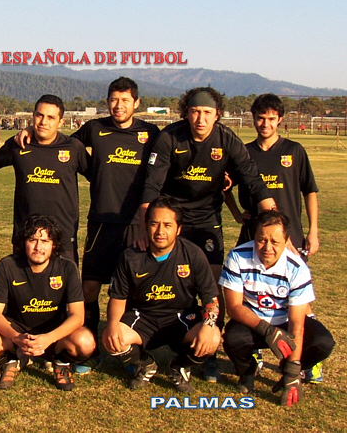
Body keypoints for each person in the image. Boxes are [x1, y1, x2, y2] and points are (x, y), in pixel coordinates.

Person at [17, 77, 160, 373]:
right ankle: (91, 350)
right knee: (90, 288)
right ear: (107, 102)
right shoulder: (94, 129)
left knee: (135, 290)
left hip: (137, 224)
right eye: (113, 99)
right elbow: (58, 142)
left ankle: (132, 354)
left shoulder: (151, 133)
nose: (118, 106)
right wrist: (31, 130)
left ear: (136, 103)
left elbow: (166, 166)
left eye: (125, 100)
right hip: (101, 222)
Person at [139, 86, 275, 381]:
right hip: (172, 218)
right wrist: (144, 227)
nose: (201, 119)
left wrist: (273, 215)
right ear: (186, 113)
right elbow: (151, 185)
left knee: (211, 283)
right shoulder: (170, 137)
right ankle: (156, 340)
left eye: (207, 112)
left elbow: (252, 178)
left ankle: (209, 350)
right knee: (167, 280)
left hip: (206, 219)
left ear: (217, 115)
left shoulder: (226, 139)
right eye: (195, 111)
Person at [103, 196, 220, 392]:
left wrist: (208, 326)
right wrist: (113, 325)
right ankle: (145, 364)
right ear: (146, 225)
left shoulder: (193, 254)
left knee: (213, 337)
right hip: (143, 317)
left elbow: (210, 298)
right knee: (112, 339)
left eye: (167, 225)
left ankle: (180, 366)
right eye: (154, 224)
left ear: (178, 229)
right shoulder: (130, 257)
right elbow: (118, 298)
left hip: (182, 317)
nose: (160, 231)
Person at [220, 210, 334, 406]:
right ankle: (247, 371)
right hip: (254, 322)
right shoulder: (237, 256)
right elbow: (234, 307)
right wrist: (267, 330)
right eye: (261, 240)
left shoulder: (297, 268)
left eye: (275, 241)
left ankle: (289, 370)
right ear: (254, 236)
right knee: (233, 338)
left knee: (323, 343)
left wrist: (292, 372)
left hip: (286, 322)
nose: (267, 247)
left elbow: (297, 323)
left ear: (286, 241)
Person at [0, 214, 95, 391]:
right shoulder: (8, 265)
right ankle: (12, 360)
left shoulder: (67, 268)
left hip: (54, 335)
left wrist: (49, 338)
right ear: (24, 242)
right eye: (32, 240)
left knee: (85, 342)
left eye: (45, 241)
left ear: (54, 245)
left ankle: (60, 362)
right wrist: (17, 338)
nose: (38, 247)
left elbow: (78, 316)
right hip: (17, 333)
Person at [0, 94, 90, 262]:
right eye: (39, 115)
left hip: (63, 236)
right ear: (33, 116)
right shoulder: (19, 144)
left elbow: (98, 176)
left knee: (63, 279)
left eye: (50, 117)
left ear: (61, 122)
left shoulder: (73, 148)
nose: (43, 122)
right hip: (26, 235)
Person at [226, 93, 319, 257]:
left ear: (280, 119)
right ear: (253, 118)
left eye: (271, 119)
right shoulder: (244, 153)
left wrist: (313, 231)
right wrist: (237, 215)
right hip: (253, 235)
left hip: (290, 234)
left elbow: (309, 191)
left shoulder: (294, 150)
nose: (265, 124)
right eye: (261, 118)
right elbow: (224, 187)